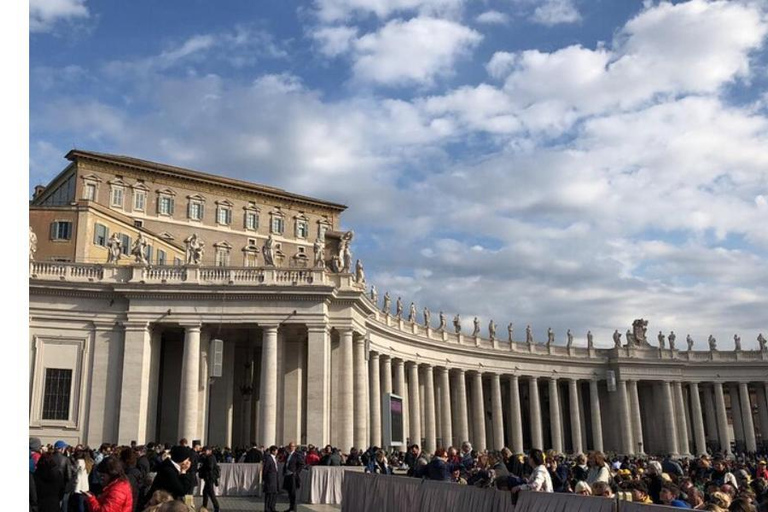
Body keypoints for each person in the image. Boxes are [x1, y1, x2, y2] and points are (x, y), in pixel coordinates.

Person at [283, 442, 304, 512]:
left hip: (293, 476)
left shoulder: (297, 455)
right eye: (289, 446)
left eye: (292, 446)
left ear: (295, 447)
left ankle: (294, 508)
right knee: (289, 492)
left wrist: (296, 472)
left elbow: (301, 464)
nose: (290, 448)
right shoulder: (288, 455)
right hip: (287, 475)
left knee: (293, 493)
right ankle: (291, 507)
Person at [198, 447, 220, 512]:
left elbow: (210, 467)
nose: (204, 452)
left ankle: (216, 507)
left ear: (209, 451)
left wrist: (203, 467)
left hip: (209, 478)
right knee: (205, 492)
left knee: (211, 493)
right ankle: (204, 506)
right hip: (209, 477)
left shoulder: (210, 458)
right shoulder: (210, 457)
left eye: (205, 451)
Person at [262, 446, 279, 512]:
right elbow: (265, 469)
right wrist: (264, 478)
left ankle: (272, 507)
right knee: (269, 494)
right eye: (276, 451)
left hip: (274, 478)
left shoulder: (275, 458)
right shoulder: (268, 458)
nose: (277, 452)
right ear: (273, 451)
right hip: (270, 478)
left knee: (274, 493)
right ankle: (267, 508)